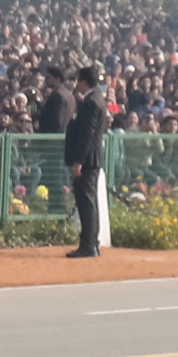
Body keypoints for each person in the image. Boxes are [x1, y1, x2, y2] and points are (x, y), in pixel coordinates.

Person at [65, 60, 109, 257]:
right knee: (89, 201)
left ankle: (88, 244)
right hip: (92, 158)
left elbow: (87, 135)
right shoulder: (97, 99)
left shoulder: (91, 102)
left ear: (84, 82)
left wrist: (78, 162)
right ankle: (93, 242)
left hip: (87, 159)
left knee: (86, 202)